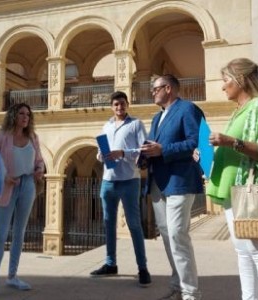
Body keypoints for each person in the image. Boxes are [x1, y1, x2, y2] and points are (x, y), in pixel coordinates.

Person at [206, 58, 258, 300]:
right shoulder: (240, 110)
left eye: (226, 80)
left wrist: (230, 141)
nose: (223, 87)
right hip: (234, 191)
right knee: (243, 252)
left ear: (241, 80)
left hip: (251, 191)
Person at [0, 103, 45, 299]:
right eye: (21, 113)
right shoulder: (2, 137)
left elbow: (39, 160)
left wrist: (39, 170)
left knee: (20, 233)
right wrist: (4, 178)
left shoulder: (33, 138)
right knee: (1, 235)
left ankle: (12, 276)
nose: (25, 117)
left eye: (28, 114)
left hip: (27, 184)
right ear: (13, 115)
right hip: (7, 186)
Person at [140, 74, 204, 300]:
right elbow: (151, 145)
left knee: (178, 235)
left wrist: (163, 150)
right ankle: (178, 285)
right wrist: (143, 155)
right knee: (167, 236)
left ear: (168, 88)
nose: (152, 92)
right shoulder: (157, 118)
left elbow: (196, 142)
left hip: (180, 181)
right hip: (158, 183)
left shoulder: (188, 109)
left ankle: (190, 293)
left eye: (155, 88)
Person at [89, 91, 151, 287]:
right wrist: (102, 155)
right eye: (116, 104)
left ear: (127, 105)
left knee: (134, 225)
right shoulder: (106, 125)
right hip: (108, 180)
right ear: (111, 106)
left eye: (122, 104)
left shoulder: (135, 124)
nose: (119, 107)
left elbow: (144, 151)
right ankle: (110, 264)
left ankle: (142, 268)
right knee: (108, 223)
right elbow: (101, 152)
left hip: (129, 180)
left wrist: (122, 153)